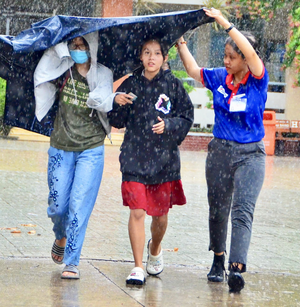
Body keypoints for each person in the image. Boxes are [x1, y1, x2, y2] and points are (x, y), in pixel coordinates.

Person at [177, 8, 268, 293]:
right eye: (224, 57)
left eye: (232, 57)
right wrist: (180, 43)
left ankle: (237, 267)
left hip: (251, 155)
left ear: (244, 57)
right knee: (218, 210)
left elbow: (253, 56)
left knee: (242, 210)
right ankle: (218, 257)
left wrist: (223, 22)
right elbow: (193, 71)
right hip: (219, 153)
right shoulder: (219, 77)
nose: (226, 61)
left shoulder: (257, 78)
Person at [108, 39, 193, 286]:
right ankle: (136, 267)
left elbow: (186, 116)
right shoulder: (131, 83)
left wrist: (169, 125)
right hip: (134, 157)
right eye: (147, 52)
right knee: (136, 211)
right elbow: (118, 119)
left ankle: (154, 248)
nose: (152, 57)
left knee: (160, 216)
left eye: (157, 53)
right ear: (141, 56)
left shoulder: (173, 86)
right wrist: (118, 103)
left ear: (165, 57)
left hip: (164, 161)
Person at [34, 33, 117, 279]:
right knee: (58, 206)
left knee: (79, 205)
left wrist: (110, 98)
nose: (79, 48)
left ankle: (72, 261)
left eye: (83, 45)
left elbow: (102, 98)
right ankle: (61, 234)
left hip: (91, 148)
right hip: (61, 146)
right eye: (74, 45)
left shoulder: (103, 73)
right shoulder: (61, 69)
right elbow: (44, 71)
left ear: (92, 47)